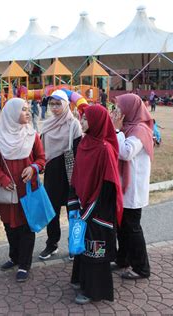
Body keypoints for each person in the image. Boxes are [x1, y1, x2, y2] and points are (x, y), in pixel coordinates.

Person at [0, 98, 45, 282]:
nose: (28, 113)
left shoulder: (31, 134)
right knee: (9, 225)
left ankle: (24, 264)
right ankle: (14, 257)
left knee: (27, 227)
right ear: (11, 113)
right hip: (8, 191)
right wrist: (2, 179)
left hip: (27, 190)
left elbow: (42, 159)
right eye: (23, 110)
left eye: (28, 109)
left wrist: (34, 168)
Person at [69, 105, 123, 304]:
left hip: (99, 210)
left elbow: (108, 187)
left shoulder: (104, 149)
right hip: (84, 205)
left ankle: (94, 291)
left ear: (97, 123)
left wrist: (89, 210)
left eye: (85, 119)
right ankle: (80, 280)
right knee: (82, 243)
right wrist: (75, 203)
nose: (81, 122)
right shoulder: (85, 144)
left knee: (94, 248)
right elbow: (77, 176)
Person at [112, 93, 153, 280]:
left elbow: (126, 152)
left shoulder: (139, 130)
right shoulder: (128, 127)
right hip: (123, 187)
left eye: (119, 107)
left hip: (133, 189)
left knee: (132, 228)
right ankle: (123, 259)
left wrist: (117, 131)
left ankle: (142, 268)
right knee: (122, 227)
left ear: (130, 108)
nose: (116, 111)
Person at [39, 90, 82, 260]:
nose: (55, 108)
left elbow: (78, 151)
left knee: (73, 210)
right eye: (52, 104)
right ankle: (52, 244)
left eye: (58, 104)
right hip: (52, 172)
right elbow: (42, 149)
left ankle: (74, 244)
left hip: (70, 172)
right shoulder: (47, 124)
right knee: (52, 211)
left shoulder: (74, 124)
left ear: (66, 105)